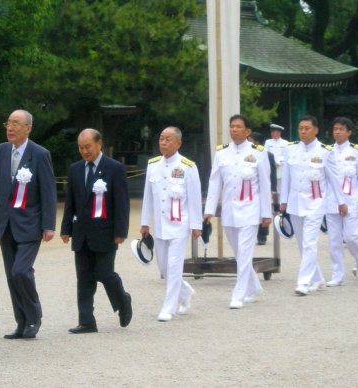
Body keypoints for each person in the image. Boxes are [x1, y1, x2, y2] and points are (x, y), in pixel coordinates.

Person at [0, 110, 57, 339]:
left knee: (21, 271)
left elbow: (49, 192)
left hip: (30, 224)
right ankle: (21, 322)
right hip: (6, 224)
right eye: (8, 123)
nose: (10, 128)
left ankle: (34, 316)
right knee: (12, 276)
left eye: (16, 123)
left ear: (28, 129)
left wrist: (49, 225)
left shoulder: (40, 154)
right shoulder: (1, 151)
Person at [61, 129, 132, 332]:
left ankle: (123, 300)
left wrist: (121, 230)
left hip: (105, 231)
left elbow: (121, 203)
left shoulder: (114, 168)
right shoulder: (75, 169)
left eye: (88, 147)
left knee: (105, 273)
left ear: (99, 144)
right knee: (83, 277)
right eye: (80, 148)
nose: (84, 151)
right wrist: (66, 227)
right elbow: (71, 202)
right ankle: (86, 321)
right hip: (81, 232)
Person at [205, 115, 271, 309]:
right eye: (232, 126)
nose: (234, 130)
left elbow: (265, 185)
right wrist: (209, 210)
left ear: (247, 132)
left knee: (244, 252)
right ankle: (254, 287)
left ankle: (239, 293)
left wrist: (266, 213)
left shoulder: (258, 152)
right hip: (229, 210)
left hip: (250, 210)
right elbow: (214, 182)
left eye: (238, 127)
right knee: (238, 253)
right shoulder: (222, 153)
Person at [279, 115, 346, 296]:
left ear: (315, 130)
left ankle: (303, 282)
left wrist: (341, 202)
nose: (303, 131)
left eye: (307, 128)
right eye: (300, 128)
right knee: (302, 244)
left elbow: (334, 178)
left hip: (315, 204)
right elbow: (286, 178)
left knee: (309, 242)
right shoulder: (291, 149)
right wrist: (283, 202)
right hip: (295, 203)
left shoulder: (325, 151)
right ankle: (317, 278)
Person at [141, 126, 202, 321]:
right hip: (160, 225)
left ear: (178, 143)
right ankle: (185, 293)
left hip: (179, 225)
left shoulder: (187, 166)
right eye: (161, 139)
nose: (163, 143)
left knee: (175, 266)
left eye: (168, 139)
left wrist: (196, 225)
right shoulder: (153, 165)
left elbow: (194, 198)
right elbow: (147, 197)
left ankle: (168, 307)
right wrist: (144, 222)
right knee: (164, 267)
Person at [324, 117, 358, 286]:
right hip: (331, 201)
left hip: (351, 200)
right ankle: (337, 275)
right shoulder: (327, 150)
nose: (337, 132)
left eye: (341, 129)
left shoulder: (357, 151)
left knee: (351, 237)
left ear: (349, 132)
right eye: (335, 128)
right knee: (334, 240)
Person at [249, 131, 276, 245]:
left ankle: (262, 235)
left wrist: (272, 188)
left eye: (249, 141)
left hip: (265, 188)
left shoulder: (267, 155)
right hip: (252, 189)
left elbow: (272, 174)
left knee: (264, 211)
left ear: (257, 142)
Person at [264, 124, 288, 192]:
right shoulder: (268, 142)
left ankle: (280, 202)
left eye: (273, 132)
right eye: (271, 132)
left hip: (280, 167)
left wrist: (278, 162)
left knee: (280, 186)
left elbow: (286, 155)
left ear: (278, 132)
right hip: (270, 166)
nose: (271, 134)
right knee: (271, 184)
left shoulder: (285, 143)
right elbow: (265, 153)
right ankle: (273, 201)